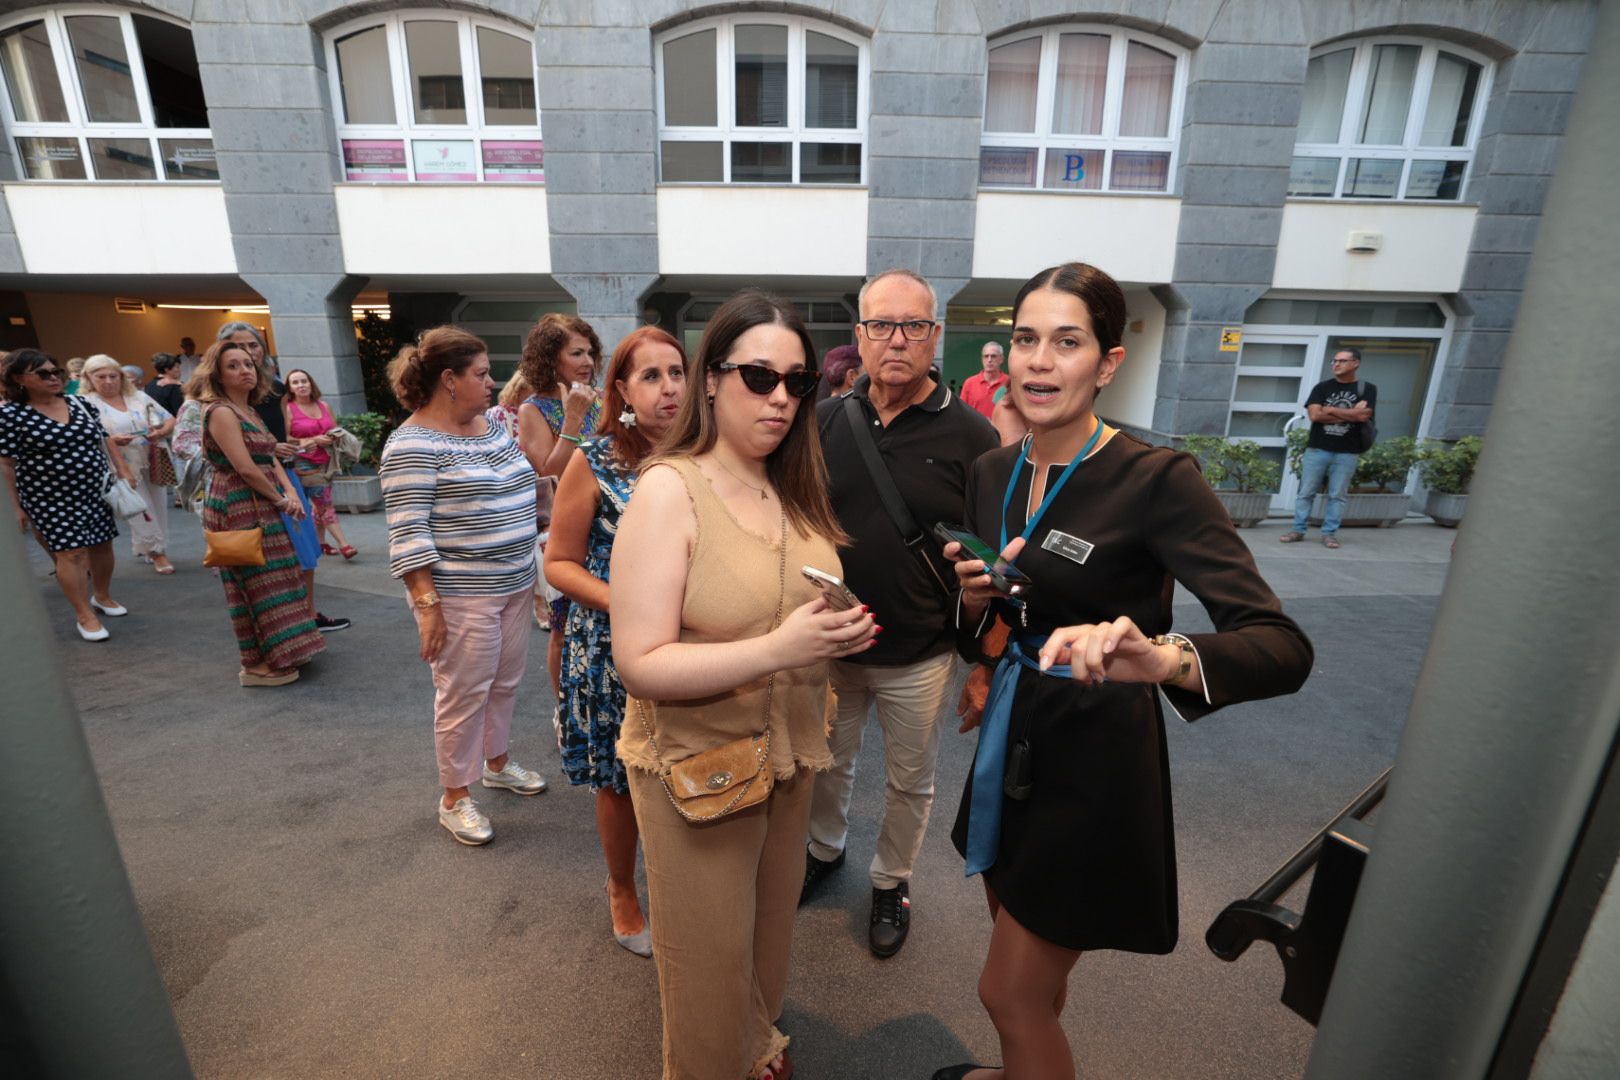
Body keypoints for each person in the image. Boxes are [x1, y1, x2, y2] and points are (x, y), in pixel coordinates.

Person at [932, 263, 1313, 1080]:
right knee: (1022, 948)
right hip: (1014, 733)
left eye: (1066, 342)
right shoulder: (994, 471)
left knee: (1009, 992)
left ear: (1107, 362)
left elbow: (1281, 645)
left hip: (1096, 756)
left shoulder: (1157, 481)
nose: (1039, 361)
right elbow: (997, 615)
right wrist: (976, 611)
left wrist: (1163, 658)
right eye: (1026, 339)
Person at [611, 290, 876, 1080]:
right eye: (761, 377)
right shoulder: (671, 490)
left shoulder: (792, 485)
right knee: (705, 970)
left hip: (789, 762)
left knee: (764, 944)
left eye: (799, 383)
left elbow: (792, 602)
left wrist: (837, 624)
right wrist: (780, 646)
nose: (782, 399)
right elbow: (642, 662)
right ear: (713, 379)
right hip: (698, 772)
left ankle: (755, 1043)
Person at [805, 268, 998, 959]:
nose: (897, 340)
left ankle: (892, 880)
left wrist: (986, 663)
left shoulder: (973, 436)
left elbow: (993, 557)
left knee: (910, 781)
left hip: (920, 651)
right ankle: (824, 852)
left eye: (913, 326)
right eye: (882, 325)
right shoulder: (823, 421)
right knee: (826, 764)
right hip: (832, 642)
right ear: (859, 336)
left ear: (934, 337)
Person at [545, 325, 688, 957]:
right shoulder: (597, 456)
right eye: (651, 376)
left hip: (693, 643)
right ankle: (622, 889)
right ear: (623, 390)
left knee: (687, 767)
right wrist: (626, 603)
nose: (668, 388)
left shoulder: (708, 455)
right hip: (611, 645)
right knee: (620, 776)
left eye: (677, 373)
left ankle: (685, 889)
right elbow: (559, 562)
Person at [380, 326, 547, 846]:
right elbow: (409, 533)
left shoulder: (490, 427)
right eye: (481, 374)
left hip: (516, 581)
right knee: (462, 692)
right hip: (461, 595)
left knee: (504, 682)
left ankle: (495, 763)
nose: (493, 382)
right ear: (449, 380)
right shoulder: (412, 444)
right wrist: (429, 608)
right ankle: (454, 796)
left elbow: (527, 484)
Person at [196, 340, 325, 685]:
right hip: (238, 504)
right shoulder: (220, 411)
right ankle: (255, 664)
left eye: (248, 364)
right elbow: (245, 467)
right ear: (218, 375)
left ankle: (286, 650)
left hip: (262, 500)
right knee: (254, 583)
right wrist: (282, 499)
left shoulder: (248, 410)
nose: (245, 371)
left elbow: (267, 458)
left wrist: (285, 491)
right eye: (234, 366)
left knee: (281, 575)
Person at [217, 322, 349, 632]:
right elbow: (245, 456)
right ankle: (280, 625)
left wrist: (293, 458)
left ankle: (307, 615)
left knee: (306, 553)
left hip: (285, 475)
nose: (249, 355)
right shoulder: (220, 403)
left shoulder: (276, 387)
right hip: (248, 487)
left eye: (253, 346)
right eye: (237, 351)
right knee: (265, 560)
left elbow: (280, 439)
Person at [1, 349, 135, 641]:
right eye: (43, 374)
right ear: (19, 379)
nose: (53, 378)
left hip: (96, 490)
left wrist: (122, 469)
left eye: (56, 372)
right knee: (71, 553)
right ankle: (83, 614)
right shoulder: (10, 415)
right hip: (49, 498)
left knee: (102, 546)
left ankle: (102, 596)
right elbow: (5, 463)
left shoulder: (80, 403)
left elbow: (103, 438)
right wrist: (14, 507)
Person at [515, 313, 603, 691]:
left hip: (609, 523)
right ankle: (563, 712)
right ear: (552, 358)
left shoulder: (600, 401)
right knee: (562, 629)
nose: (587, 362)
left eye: (590, 353)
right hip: (564, 530)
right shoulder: (532, 409)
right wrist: (572, 420)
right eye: (576, 353)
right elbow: (548, 470)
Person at [81, 354, 176, 574]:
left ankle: (149, 545)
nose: (108, 381)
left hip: (152, 456)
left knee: (159, 505)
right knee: (139, 507)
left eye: (113, 376)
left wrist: (160, 431)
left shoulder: (139, 397)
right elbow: (83, 437)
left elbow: (170, 418)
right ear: (89, 378)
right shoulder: (85, 403)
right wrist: (112, 440)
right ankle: (157, 551)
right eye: (101, 376)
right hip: (118, 462)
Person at [1280, 347, 1377, 550]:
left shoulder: (1366, 388)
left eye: (1342, 361)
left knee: (1337, 495)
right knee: (1306, 492)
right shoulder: (1322, 388)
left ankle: (1329, 534)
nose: (1336, 364)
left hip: (1347, 451)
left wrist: (1330, 409)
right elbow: (1315, 416)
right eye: (1334, 361)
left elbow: (1363, 416)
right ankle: (1298, 530)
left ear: (1355, 363)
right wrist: (1350, 412)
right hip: (1318, 448)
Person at [283, 368, 357, 560]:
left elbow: (334, 428)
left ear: (311, 383)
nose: (301, 385)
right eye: (296, 382)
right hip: (303, 463)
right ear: (290, 388)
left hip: (328, 462)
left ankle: (321, 542)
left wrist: (333, 437)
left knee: (318, 505)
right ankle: (344, 544)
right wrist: (314, 439)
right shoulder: (289, 409)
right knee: (324, 504)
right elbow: (285, 438)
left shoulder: (324, 405)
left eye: (304, 381)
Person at [960, 341, 1009, 419]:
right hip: (975, 430)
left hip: (1001, 430)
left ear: (1001, 359)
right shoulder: (969, 383)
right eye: (986, 356)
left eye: (993, 356)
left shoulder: (1010, 383)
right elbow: (961, 412)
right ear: (982, 359)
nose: (989, 360)